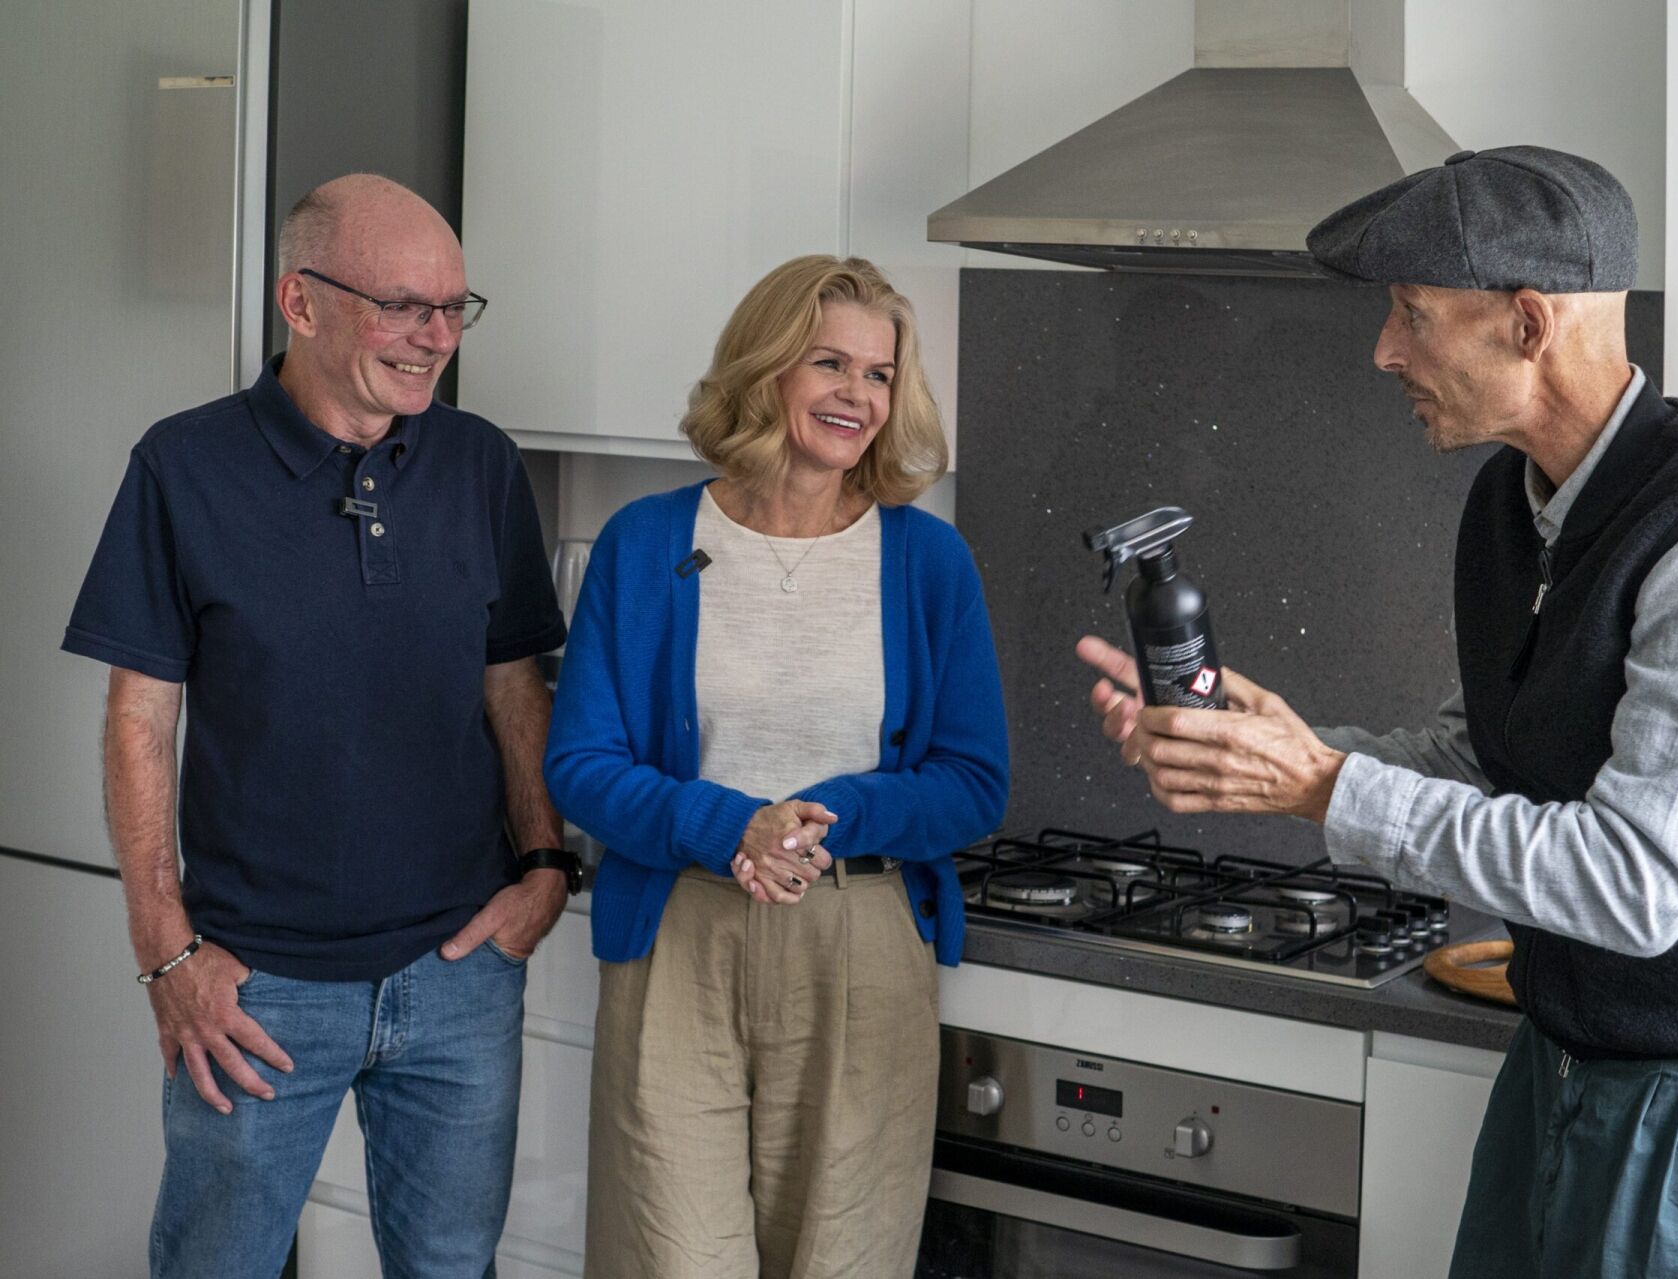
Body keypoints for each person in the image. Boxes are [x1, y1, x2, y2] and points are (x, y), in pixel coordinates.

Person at [1077, 146, 1678, 1279]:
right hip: (1557, 1058)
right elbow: (1481, 750)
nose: (1384, 350)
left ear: (1529, 322)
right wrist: (1267, 755)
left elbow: (1636, 882)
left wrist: (1321, 785)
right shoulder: (1513, 501)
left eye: (1412, 313)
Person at [63, 173, 576, 1277]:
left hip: (460, 970)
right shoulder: (181, 465)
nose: (436, 337)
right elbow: (140, 716)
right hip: (255, 983)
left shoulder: (481, 463)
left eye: (453, 307)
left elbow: (513, 682)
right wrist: (165, 949)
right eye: (403, 306)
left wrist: (544, 863)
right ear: (300, 301)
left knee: (453, 1268)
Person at [545, 254, 1009, 1278]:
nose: (857, 395)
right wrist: (732, 826)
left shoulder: (929, 562)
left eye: (879, 374)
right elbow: (579, 763)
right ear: (765, 368)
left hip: (862, 942)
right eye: (829, 363)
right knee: (669, 1257)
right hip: (679, 934)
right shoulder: (645, 542)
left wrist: (833, 810)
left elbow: (975, 781)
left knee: (843, 1257)